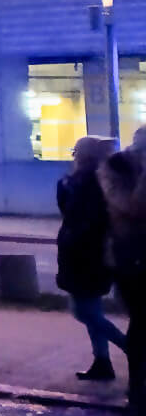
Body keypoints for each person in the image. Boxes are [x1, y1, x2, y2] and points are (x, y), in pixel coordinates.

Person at [58, 136, 124, 382]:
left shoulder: (88, 181)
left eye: (77, 152)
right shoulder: (91, 179)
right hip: (84, 251)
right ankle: (102, 363)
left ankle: (133, 350)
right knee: (90, 310)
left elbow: (76, 214)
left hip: (85, 253)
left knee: (85, 312)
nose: (74, 156)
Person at [100, 127, 146, 416]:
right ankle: (139, 391)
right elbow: (134, 207)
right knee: (142, 324)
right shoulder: (115, 168)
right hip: (133, 259)